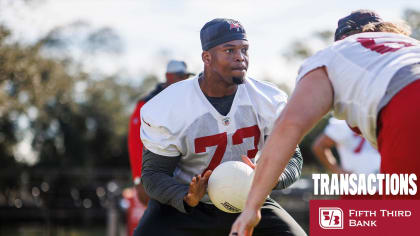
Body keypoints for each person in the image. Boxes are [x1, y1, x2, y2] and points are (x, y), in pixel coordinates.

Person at [230, 9, 420, 235]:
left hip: (408, 104)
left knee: (398, 224)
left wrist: (252, 206)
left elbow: (290, 126)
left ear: (341, 38)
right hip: (405, 103)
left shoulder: (334, 55)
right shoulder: (409, 45)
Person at [134, 18, 306, 236]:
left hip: (246, 198)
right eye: (229, 50)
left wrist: (269, 177)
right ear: (207, 57)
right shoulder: (169, 106)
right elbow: (153, 174)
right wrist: (186, 195)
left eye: (244, 50)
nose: (240, 57)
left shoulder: (268, 99)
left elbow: (293, 158)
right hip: (186, 206)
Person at [127, 59, 194, 235]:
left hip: (182, 180)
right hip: (155, 178)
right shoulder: (147, 103)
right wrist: (138, 180)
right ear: (168, 76)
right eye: (180, 76)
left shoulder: (189, 101)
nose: (184, 80)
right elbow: (135, 143)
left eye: (186, 76)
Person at [312, 117, 381, 199]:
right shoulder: (342, 124)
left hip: (387, 187)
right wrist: (337, 170)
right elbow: (319, 146)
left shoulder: (384, 120)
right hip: (355, 188)